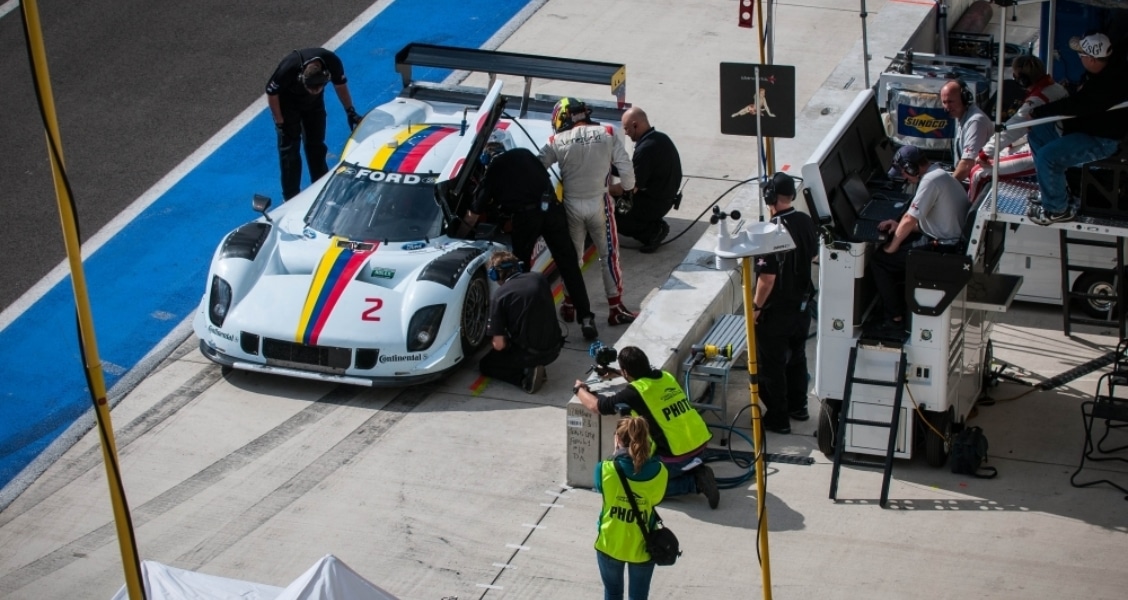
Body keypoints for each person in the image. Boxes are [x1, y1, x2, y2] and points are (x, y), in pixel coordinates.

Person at [462, 129, 599, 340]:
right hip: (552, 210)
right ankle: (587, 318)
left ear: (485, 157)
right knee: (569, 265)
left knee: (519, 272)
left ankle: (523, 324)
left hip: (526, 218)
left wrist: (460, 235)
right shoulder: (525, 154)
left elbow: (473, 214)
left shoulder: (493, 169)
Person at [574, 346, 720, 509]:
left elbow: (597, 406)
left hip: (675, 457)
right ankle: (694, 470)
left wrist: (579, 389)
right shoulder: (665, 377)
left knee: (634, 486)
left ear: (626, 371)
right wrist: (616, 372)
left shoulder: (634, 393)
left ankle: (694, 483)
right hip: (701, 445)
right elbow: (642, 376)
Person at [541, 97, 639, 326]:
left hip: (571, 206)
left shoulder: (555, 140)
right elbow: (627, 170)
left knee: (572, 259)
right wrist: (627, 190)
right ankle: (615, 308)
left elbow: (537, 167)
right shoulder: (607, 132)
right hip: (600, 204)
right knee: (609, 256)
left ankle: (569, 305)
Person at [1026, 33, 1128, 225]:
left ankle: (1057, 210)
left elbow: (1077, 105)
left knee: (1049, 157)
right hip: (1088, 129)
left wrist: (1038, 112)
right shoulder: (1106, 70)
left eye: (1081, 55)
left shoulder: (1108, 84)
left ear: (1092, 59)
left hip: (1101, 140)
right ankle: (1057, 193)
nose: (1079, 58)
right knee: (1037, 135)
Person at [871, 145, 967, 335]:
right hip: (947, 238)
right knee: (898, 246)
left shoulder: (930, 181)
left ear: (912, 167)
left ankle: (894, 319)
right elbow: (930, 221)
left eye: (904, 172)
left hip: (944, 248)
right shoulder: (940, 174)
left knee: (880, 261)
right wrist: (897, 225)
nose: (905, 177)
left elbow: (910, 219)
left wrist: (892, 246)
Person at [752, 173, 819, 434]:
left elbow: (767, 279)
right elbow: (812, 254)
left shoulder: (771, 232)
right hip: (802, 308)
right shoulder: (805, 220)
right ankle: (798, 406)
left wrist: (756, 308)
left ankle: (778, 419)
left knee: (772, 365)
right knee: (797, 357)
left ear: (769, 197)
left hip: (777, 312)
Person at [967, 55, 1069, 202]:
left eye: (1015, 76)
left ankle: (969, 214)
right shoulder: (1055, 88)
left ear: (1022, 79)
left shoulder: (1038, 100)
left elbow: (1013, 128)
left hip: (1045, 151)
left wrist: (984, 153)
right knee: (1001, 151)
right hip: (1051, 144)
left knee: (977, 172)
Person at [266, 48, 363, 200]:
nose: (314, 90)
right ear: (301, 78)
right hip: (288, 104)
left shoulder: (331, 61)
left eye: (319, 88)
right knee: (290, 152)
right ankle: (290, 196)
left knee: (316, 145)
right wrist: (280, 122)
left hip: (313, 105)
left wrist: (350, 111)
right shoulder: (288, 68)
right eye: (311, 88)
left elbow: (340, 85)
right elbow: (271, 93)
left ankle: (321, 187)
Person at [593, 416, 667, 600]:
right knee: (639, 596)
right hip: (642, 546)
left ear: (617, 439)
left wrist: (615, 454)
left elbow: (602, 489)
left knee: (612, 593)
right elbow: (656, 500)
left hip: (610, 544)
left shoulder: (604, 469)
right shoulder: (660, 472)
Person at [480, 251, 564, 393]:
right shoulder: (539, 278)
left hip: (530, 354)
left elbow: (499, 345)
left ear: (495, 274)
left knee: (486, 364)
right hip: (555, 349)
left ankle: (525, 378)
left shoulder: (500, 295)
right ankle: (535, 366)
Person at [613, 107, 683, 254]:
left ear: (635, 125)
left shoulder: (645, 149)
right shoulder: (660, 139)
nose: (626, 133)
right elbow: (635, 172)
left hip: (655, 203)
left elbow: (628, 187)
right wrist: (610, 167)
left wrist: (602, 191)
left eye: (627, 128)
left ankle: (652, 232)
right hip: (664, 197)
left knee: (610, 211)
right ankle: (651, 222)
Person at [939, 79, 991, 184]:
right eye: (944, 102)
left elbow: (967, 165)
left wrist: (947, 187)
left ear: (965, 98)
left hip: (979, 184)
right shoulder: (961, 117)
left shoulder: (975, 122)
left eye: (951, 102)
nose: (947, 107)